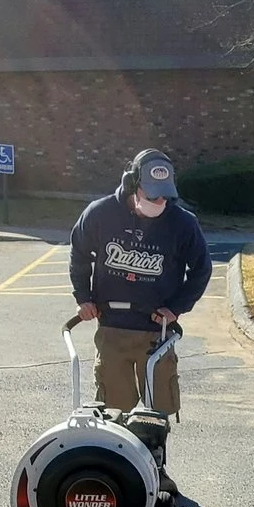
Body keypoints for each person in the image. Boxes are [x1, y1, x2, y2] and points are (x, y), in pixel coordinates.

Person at [69, 148, 212, 418]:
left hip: (156, 333)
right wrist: (84, 298)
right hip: (112, 327)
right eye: (152, 195)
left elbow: (201, 269)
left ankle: (154, 458)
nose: (159, 202)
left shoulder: (183, 223)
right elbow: (79, 253)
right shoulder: (100, 214)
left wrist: (177, 307)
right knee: (114, 411)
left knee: (156, 415)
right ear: (132, 184)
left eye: (165, 196)